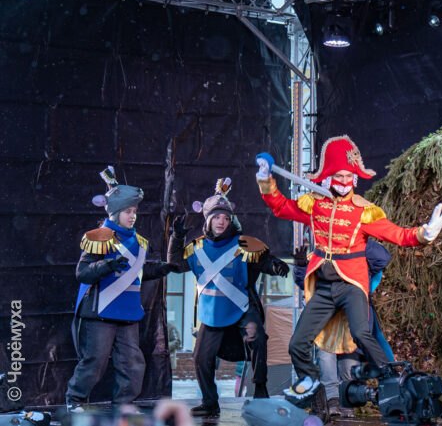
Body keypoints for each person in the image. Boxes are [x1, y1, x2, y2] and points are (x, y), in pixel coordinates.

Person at [255, 135, 442, 404]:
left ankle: (393, 379)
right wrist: (266, 179)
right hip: (324, 287)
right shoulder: (315, 204)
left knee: (362, 333)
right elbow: (281, 207)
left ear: (355, 178)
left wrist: (424, 234)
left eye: (349, 175)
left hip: (351, 285)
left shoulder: (363, 211)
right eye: (339, 175)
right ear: (328, 176)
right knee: (297, 343)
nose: (344, 181)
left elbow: (397, 234)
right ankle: (308, 378)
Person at [167, 177, 290, 417]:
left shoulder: (244, 244)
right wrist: (177, 238)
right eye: (217, 218)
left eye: (225, 217)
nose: (221, 221)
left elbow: (263, 260)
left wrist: (275, 266)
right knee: (201, 357)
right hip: (212, 312)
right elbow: (176, 264)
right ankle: (209, 402)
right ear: (208, 220)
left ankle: (261, 392)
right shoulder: (197, 247)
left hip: (242, 307)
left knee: (257, 338)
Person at [65, 166, 180, 412]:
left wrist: (160, 269)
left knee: (132, 365)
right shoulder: (99, 236)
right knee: (94, 363)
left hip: (128, 314)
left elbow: (136, 274)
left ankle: (123, 405)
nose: (133, 216)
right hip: (101, 311)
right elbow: (82, 273)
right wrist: (107, 265)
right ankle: (75, 400)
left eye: (135, 211)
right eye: (128, 211)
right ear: (116, 213)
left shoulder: (139, 242)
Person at [292, 240, 394, 416]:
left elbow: (382, 258)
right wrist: (301, 266)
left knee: (349, 361)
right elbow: (305, 281)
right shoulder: (322, 252)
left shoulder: (358, 253)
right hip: (328, 321)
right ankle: (331, 400)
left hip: (351, 317)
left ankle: (348, 400)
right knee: (326, 357)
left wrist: (357, 238)